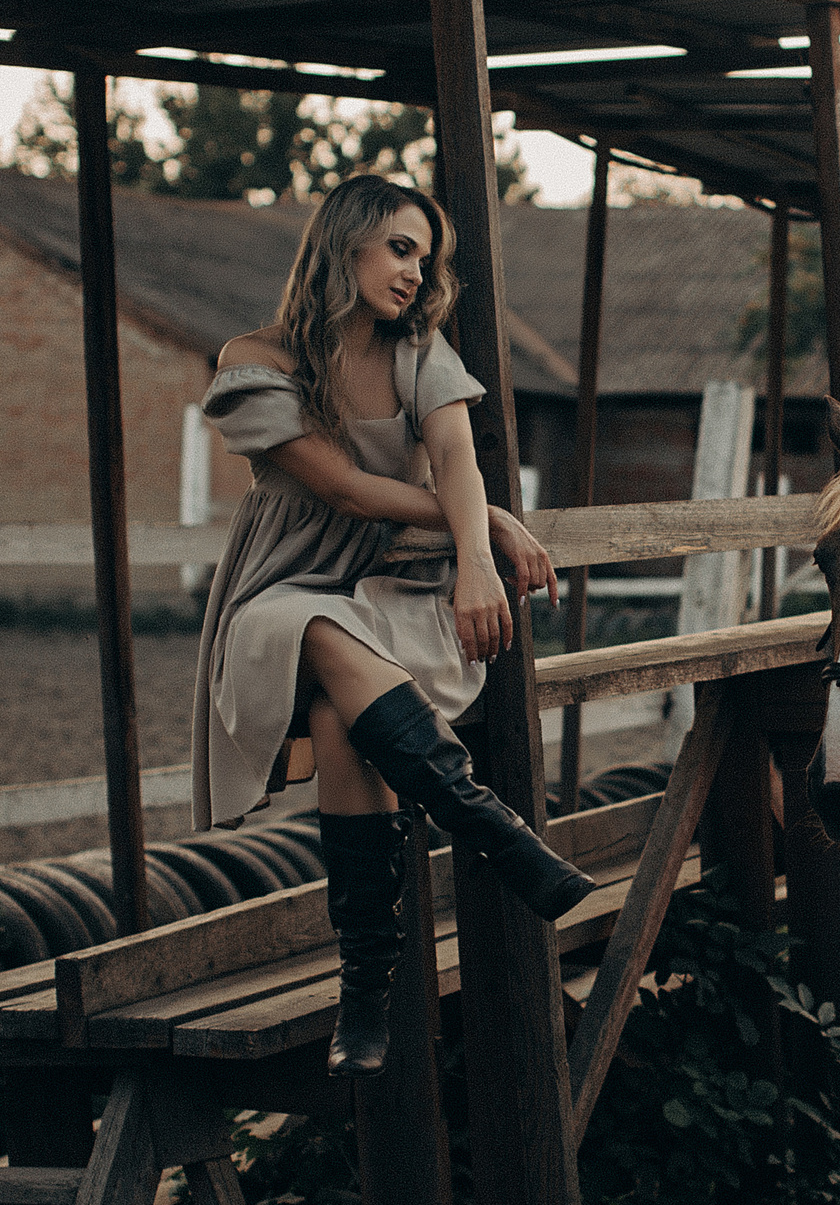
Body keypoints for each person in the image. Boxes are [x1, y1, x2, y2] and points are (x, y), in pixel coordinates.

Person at [190, 174, 592, 1079]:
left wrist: (477, 560)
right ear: (347, 243)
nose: (416, 273)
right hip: (285, 586)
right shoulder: (255, 359)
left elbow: (457, 452)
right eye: (400, 248)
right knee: (319, 629)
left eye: (426, 257)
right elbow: (342, 489)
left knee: (342, 719)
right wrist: (480, 521)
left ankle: (364, 984)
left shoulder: (422, 351)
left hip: (398, 589)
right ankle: (487, 825)